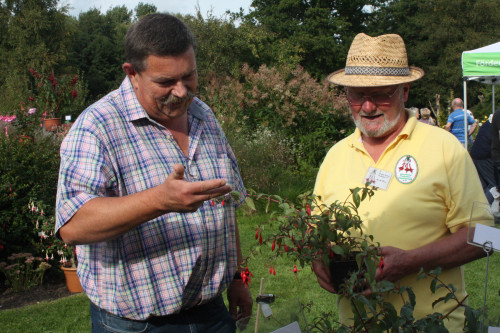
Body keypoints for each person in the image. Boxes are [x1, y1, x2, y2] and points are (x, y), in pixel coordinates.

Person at [55, 13, 252, 333]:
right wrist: (160, 200)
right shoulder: (98, 126)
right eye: (165, 82)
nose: (181, 91)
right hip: (136, 325)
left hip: (212, 314)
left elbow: (226, 207)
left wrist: (237, 279)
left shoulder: (203, 116)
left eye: (188, 76)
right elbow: (72, 225)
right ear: (132, 73)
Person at [311, 33, 492, 331]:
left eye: (381, 93)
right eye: (356, 95)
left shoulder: (445, 149)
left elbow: (486, 237)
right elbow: (315, 228)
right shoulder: (335, 156)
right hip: (356, 325)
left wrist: (411, 261)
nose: (367, 107)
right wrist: (318, 256)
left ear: (405, 91)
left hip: (432, 325)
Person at [470, 114, 496, 204]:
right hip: (484, 157)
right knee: (495, 185)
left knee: (483, 186)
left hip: (476, 155)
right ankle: (484, 209)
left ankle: (478, 210)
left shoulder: (488, 123)